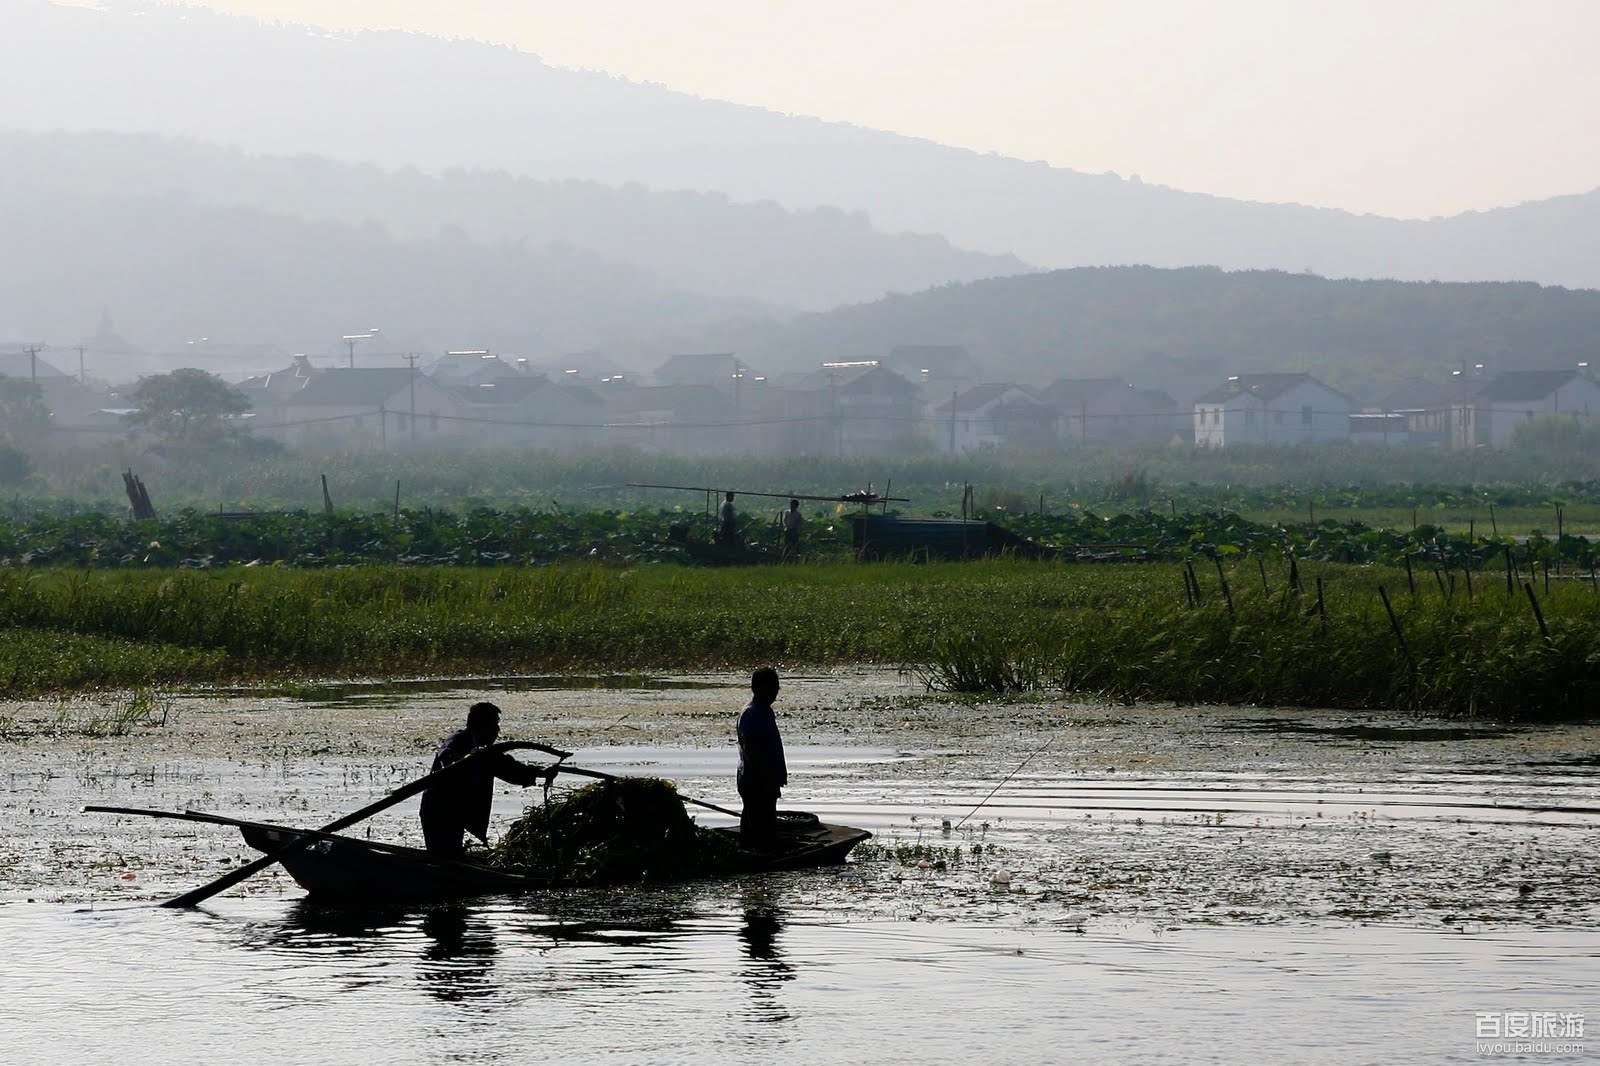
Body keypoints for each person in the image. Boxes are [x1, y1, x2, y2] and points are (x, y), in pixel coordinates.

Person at [419, 701, 552, 857]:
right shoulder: (459, 740)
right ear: (481, 724)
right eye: (494, 724)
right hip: (439, 811)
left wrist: (541, 773)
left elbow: (509, 769)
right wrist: (465, 760)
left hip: (458, 812)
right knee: (444, 857)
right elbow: (446, 757)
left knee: (452, 856)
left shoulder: (486, 753)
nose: (497, 730)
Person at [736, 667, 788, 850]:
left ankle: (753, 854)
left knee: (757, 826)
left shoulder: (764, 711)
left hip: (760, 779)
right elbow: (753, 750)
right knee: (761, 830)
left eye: (776, 689)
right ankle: (758, 861)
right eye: (773, 688)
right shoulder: (752, 713)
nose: (775, 693)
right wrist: (767, 780)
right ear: (759, 689)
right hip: (756, 781)